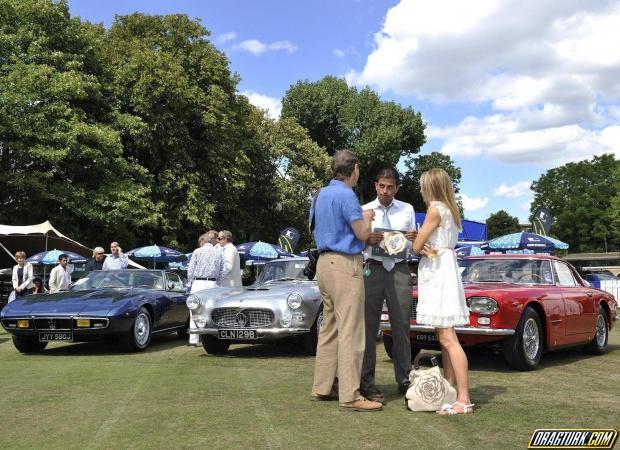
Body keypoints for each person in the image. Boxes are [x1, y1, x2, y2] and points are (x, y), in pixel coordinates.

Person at [309, 149, 382, 412]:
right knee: (351, 330)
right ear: (354, 169)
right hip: (344, 265)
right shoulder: (346, 194)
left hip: (323, 264)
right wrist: (366, 217)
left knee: (329, 329)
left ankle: (322, 387)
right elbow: (362, 233)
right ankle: (350, 395)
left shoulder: (319, 195)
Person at [412, 168, 474, 416]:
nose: (421, 190)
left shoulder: (435, 209)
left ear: (431, 187)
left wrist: (416, 241)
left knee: (448, 339)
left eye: (423, 186)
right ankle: (450, 391)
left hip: (438, 273)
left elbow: (417, 246)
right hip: (445, 267)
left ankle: (464, 399)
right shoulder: (451, 211)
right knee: (445, 338)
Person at [360, 167, 417, 402]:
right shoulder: (364, 210)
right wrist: (366, 238)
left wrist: (414, 239)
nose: (385, 191)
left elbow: (413, 244)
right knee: (367, 329)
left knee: (402, 327)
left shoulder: (407, 209)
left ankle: (404, 382)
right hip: (371, 269)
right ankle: (366, 382)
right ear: (375, 185)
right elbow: (355, 242)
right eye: (382, 186)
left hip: (400, 270)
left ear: (397, 188)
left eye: (390, 187)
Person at [187, 231, 225, 345]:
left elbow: (191, 269)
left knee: (194, 310)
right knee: (212, 311)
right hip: (212, 284)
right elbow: (223, 270)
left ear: (203, 241)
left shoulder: (197, 252)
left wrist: (189, 283)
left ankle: (193, 340)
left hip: (198, 283)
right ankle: (212, 338)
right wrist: (218, 282)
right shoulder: (219, 253)